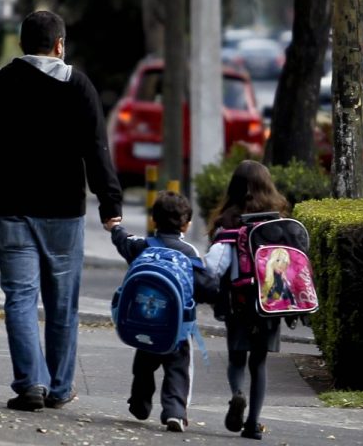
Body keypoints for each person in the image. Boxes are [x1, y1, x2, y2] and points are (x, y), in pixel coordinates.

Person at [0, 10, 123, 412]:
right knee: (62, 304)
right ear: (60, 44)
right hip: (64, 212)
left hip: (12, 210)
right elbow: (96, 150)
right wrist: (110, 204)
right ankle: (60, 387)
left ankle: (31, 384)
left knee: (21, 300)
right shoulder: (78, 86)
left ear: (21, 44)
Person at [104, 191, 209, 433]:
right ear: (186, 224)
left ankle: (139, 403)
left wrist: (114, 228)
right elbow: (206, 286)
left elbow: (124, 241)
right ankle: (174, 412)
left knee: (143, 365)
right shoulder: (189, 252)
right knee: (178, 369)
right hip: (177, 328)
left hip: (145, 323)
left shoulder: (144, 246)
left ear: (153, 220)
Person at [204, 160, 289, 440]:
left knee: (237, 359)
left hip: (236, 301)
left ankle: (237, 393)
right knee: (260, 363)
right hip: (269, 302)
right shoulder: (277, 221)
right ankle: (252, 423)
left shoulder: (227, 220)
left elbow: (217, 265)